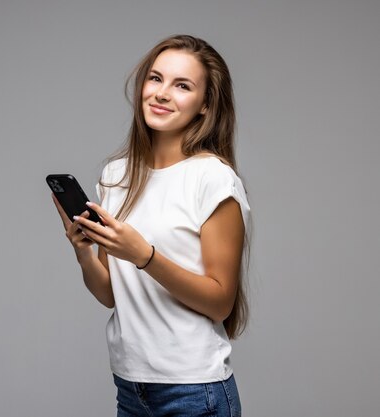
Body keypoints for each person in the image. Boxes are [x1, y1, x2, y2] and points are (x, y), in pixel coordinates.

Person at [52, 34, 250, 416]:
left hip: (194, 392)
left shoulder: (213, 179)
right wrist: (82, 251)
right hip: (130, 386)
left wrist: (144, 255)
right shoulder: (116, 175)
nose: (161, 93)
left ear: (205, 106)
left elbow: (221, 301)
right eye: (156, 79)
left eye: (182, 85)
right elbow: (111, 293)